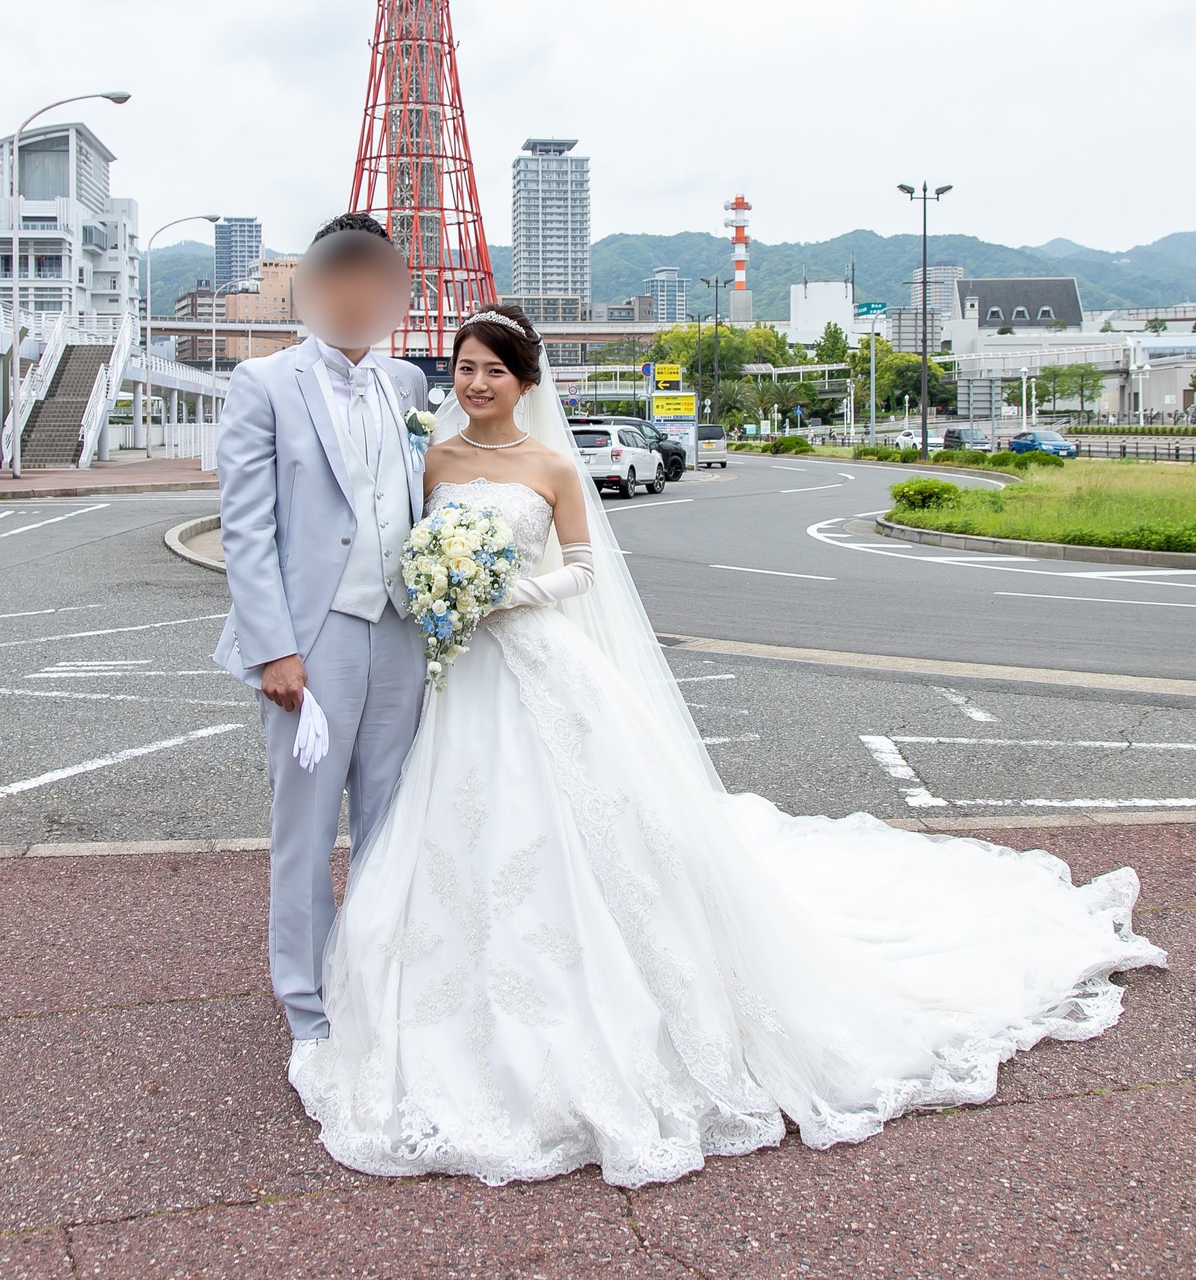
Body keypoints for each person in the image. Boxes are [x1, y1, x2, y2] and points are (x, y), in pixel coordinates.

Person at [290, 302, 1165, 1189]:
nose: (476, 384)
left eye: (495, 371)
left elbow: (587, 571)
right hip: (460, 672)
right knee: (454, 827)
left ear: (526, 382)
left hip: (534, 654)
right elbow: (404, 544)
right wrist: (439, 586)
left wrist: (516, 589)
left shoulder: (554, 465)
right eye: (466, 367)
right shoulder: (434, 456)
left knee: (594, 828)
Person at [213, 212, 429, 1082]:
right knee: (303, 828)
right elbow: (246, 528)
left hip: (400, 631)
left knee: (390, 818)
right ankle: (306, 1001)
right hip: (313, 638)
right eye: (341, 277)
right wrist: (273, 649)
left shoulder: (408, 383)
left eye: (373, 280)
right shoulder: (263, 382)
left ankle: (374, 980)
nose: (356, 294)